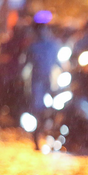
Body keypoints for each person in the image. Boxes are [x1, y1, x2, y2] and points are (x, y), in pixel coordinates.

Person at [25, 20, 61, 150]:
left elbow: (59, 62)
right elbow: (27, 63)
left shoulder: (53, 45)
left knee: (50, 110)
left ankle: (48, 135)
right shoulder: (34, 46)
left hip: (50, 82)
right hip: (38, 82)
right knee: (39, 110)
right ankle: (37, 136)